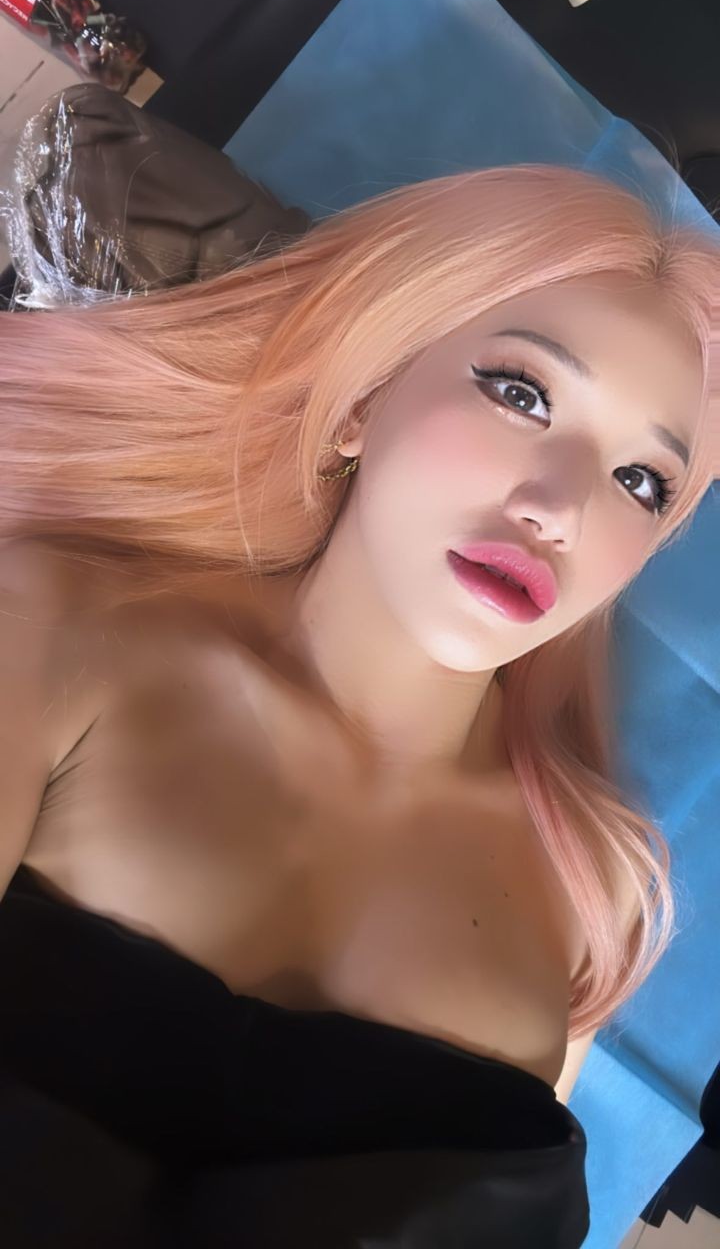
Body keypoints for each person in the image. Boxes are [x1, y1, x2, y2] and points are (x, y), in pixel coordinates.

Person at [0, 164, 718, 1247]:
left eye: (640, 481)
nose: (562, 509)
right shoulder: (55, 626)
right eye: (522, 393)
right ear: (364, 401)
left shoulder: (597, 893)